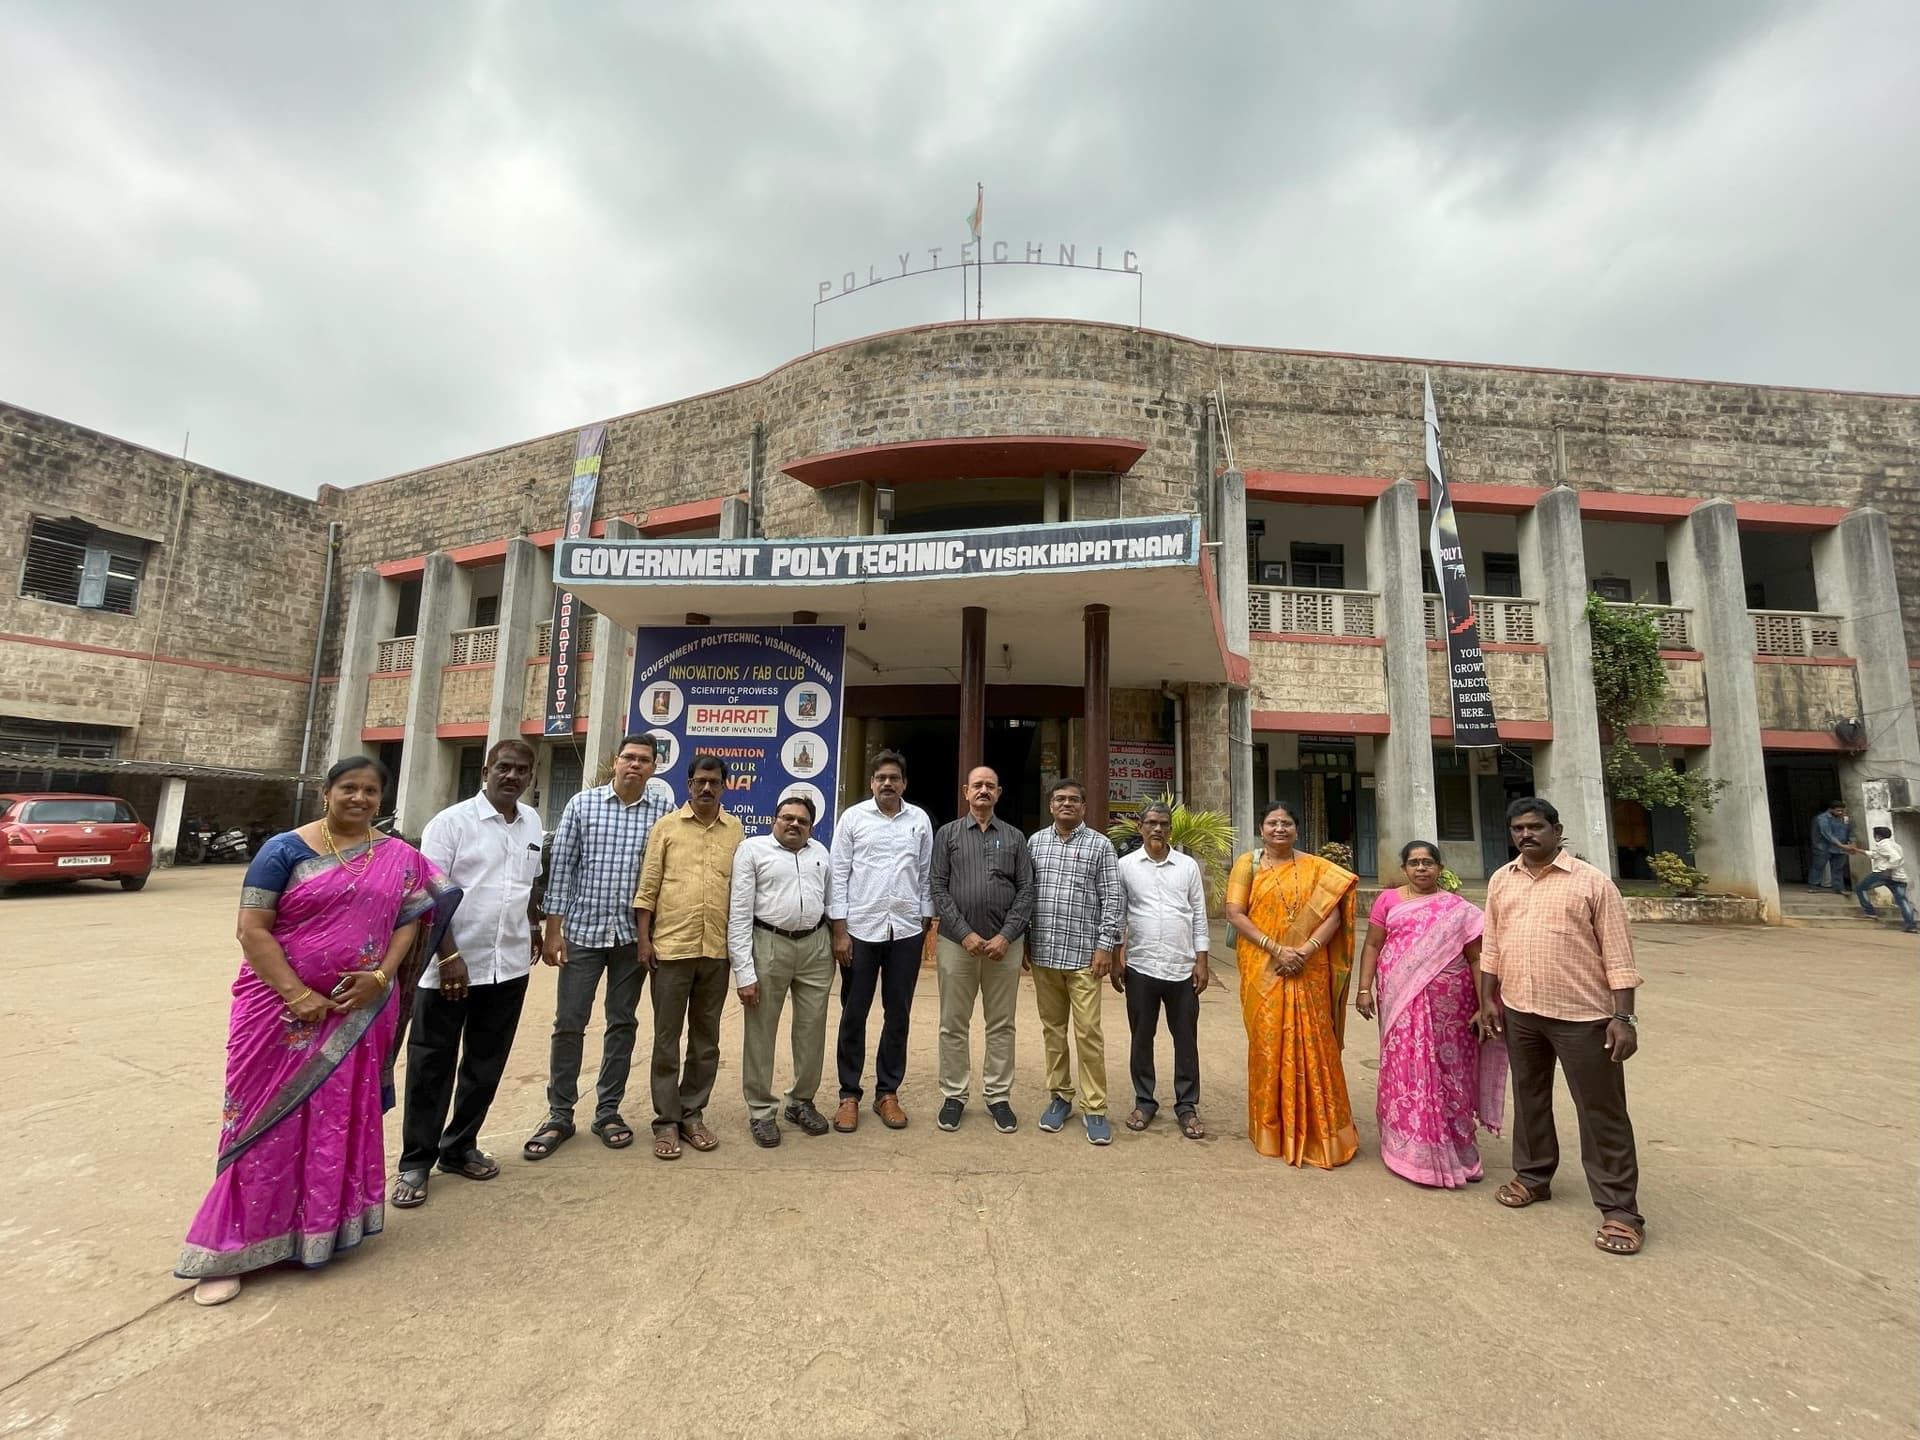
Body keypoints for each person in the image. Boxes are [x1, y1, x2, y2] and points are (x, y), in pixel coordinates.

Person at [174, 756, 457, 1306]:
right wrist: (298, 995)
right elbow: (251, 930)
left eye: (370, 791)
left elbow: (410, 920)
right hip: (278, 1013)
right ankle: (229, 1247)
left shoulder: (398, 856)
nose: (359, 798)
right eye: (349, 788)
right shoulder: (284, 850)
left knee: (338, 1118)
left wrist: (380, 977)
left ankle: (322, 1228)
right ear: (327, 792)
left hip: (358, 1012)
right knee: (262, 1122)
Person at [1479, 796, 1646, 1256]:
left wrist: (1624, 1018)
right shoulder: (1502, 880)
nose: (1526, 835)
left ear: (1557, 830)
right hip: (1520, 1010)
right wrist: (1487, 1000)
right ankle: (1533, 1176)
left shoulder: (1592, 883)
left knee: (1601, 1111)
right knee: (1529, 1097)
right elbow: (1492, 945)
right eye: (1518, 829)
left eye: (1535, 827)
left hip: (1583, 1017)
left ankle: (1620, 1211)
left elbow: (1619, 956)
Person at [393, 740, 542, 1208]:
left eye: (521, 770)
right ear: (485, 771)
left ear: (531, 777)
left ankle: (459, 1147)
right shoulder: (450, 823)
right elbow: (430, 895)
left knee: (485, 1064)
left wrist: (533, 926)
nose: (512, 776)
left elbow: (526, 884)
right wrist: (448, 956)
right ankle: (416, 1161)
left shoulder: (532, 822)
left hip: (508, 965)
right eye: (504, 768)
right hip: (450, 967)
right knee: (431, 1064)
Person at [524, 734, 674, 1161]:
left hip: (631, 938)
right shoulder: (582, 805)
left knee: (622, 1023)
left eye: (644, 760)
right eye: (629, 757)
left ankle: (608, 1111)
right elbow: (562, 869)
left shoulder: (663, 811)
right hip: (583, 935)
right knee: (569, 1022)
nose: (635, 765)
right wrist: (554, 931)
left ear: (654, 767)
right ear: (616, 762)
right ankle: (559, 1114)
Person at [1354, 840, 1504, 1188]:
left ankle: (1459, 1149)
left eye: (1428, 863)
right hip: (1401, 1003)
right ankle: (1409, 1150)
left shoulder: (1458, 909)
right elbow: (1373, 944)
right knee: (1405, 1068)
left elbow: (1476, 957)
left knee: (1451, 1072)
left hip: (1451, 1009)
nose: (1421, 868)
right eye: (1414, 863)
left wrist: (1485, 1003)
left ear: (1440, 868)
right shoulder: (1388, 901)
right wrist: (1363, 989)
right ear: (1404, 869)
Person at [1224, 800, 1358, 1169]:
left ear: (1297, 829)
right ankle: (1273, 1129)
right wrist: (1277, 949)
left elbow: (1333, 915)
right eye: (1272, 823)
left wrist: (1306, 950)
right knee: (1269, 1045)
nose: (1279, 829)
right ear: (1261, 829)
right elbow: (1234, 913)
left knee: (1316, 1043)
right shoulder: (1247, 864)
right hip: (1263, 967)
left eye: (1286, 823)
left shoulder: (1318, 868)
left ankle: (1322, 1132)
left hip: (1309, 968)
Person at [636, 752, 745, 1158]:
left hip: (716, 952)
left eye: (714, 782)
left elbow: (741, 891)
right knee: (666, 1039)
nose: (706, 788)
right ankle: (666, 1121)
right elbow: (648, 888)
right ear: (689, 784)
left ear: (724, 786)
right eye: (700, 781)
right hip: (671, 949)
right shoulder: (666, 827)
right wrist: (644, 941)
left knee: (706, 1040)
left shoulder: (735, 831)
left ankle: (692, 1114)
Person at [828, 750, 934, 1132]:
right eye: (881, 778)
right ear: (871, 782)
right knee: (854, 1013)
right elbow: (838, 874)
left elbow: (925, 876)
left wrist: (923, 925)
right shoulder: (853, 818)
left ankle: (887, 1092)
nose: (887, 783)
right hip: (860, 930)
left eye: (894, 778)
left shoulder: (919, 820)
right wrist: (840, 931)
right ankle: (848, 1095)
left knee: (898, 1014)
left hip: (905, 930)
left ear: (904, 783)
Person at [929, 765, 1036, 1134]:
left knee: (1001, 1023)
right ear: (966, 791)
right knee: (953, 1023)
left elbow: (1026, 890)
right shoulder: (947, 835)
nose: (983, 790)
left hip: (1004, 947)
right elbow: (938, 887)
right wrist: (964, 934)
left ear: (998, 793)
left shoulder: (1015, 837)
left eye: (990, 785)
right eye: (977, 785)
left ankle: (998, 1096)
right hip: (957, 945)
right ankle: (954, 1095)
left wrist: (1007, 935)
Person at [728, 792, 835, 1147]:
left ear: (811, 827)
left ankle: (801, 1101)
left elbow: (831, 900)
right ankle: (761, 1110)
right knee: (761, 1031)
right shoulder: (752, 850)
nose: (794, 824)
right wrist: (744, 972)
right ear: (774, 820)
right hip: (768, 944)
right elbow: (739, 913)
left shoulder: (820, 852)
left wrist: (836, 940)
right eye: (787, 818)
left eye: (802, 821)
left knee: (812, 1029)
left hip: (815, 946)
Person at [1027, 777, 1123, 1145]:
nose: (1066, 804)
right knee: (1053, 1030)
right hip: (1045, 953)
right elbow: (1027, 894)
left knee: (1088, 1033)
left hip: (1085, 956)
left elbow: (1113, 899)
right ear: (1051, 805)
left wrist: (1105, 947)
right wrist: (1026, 940)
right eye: (1060, 799)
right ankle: (1060, 1096)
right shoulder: (1036, 843)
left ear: (1084, 807)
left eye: (1073, 800)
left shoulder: (1100, 845)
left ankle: (1095, 1107)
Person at [1113, 801, 1210, 1140]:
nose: (1157, 829)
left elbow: (1199, 914)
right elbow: (1119, 914)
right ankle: (1145, 1101)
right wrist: (1117, 955)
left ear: (1170, 829)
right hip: (1140, 966)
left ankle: (1187, 1105)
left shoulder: (1187, 866)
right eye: (1151, 822)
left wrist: (1202, 960)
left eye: (1164, 824)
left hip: (1181, 966)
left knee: (1186, 1039)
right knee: (1142, 1038)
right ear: (1140, 826)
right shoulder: (1125, 866)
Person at [1854, 825, 1918, 933]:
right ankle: (1910, 925)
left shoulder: (1883, 845)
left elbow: (1896, 858)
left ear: (1877, 836)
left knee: (1861, 888)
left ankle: (1870, 912)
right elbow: (1876, 855)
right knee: (1902, 901)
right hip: (1899, 877)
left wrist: (1888, 869)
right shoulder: (1895, 845)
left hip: (1883, 874)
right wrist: (1859, 851)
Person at [1808, 799, 1854, 894]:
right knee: (1818, 866)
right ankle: (1813, 886)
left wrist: (1852, 842)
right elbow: (1827, 834)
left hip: (1840, 848)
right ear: (1830, 809)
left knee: (1838, 868)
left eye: (1842, 810)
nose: (1840, 812)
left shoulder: (1844, 819)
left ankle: (1839, 888)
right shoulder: (1822, 818)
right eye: (1838, 810)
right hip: (1823, 846)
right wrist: (1841, 845)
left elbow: (1849, 830)